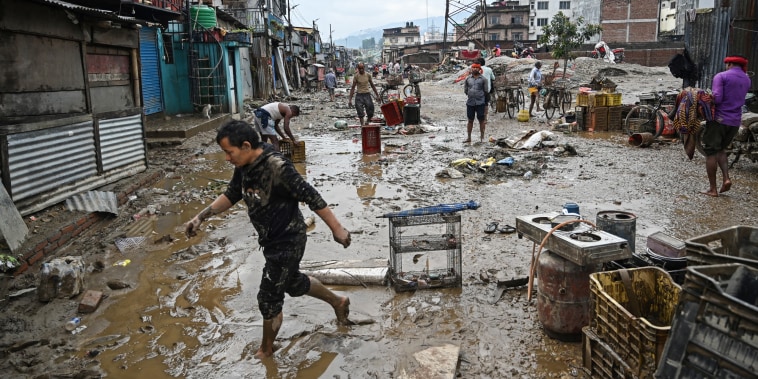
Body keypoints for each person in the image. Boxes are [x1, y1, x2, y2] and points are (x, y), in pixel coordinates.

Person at [184, 120, 353, 359]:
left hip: (288, 240)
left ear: (245, 145)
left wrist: (338, 229)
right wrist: (200, 217)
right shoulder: (244, 165)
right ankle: (338, 301)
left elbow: (311, 196)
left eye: (228, 152)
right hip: (272, 240)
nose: (227, 158)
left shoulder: (277, 167)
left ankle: (266, 351)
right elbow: (232, 194)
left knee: (269, 296)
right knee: (292, 283)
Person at [701, 55, 751, 197]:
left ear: (729, 64)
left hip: (719, 120)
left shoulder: (721, 76)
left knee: (711, 152)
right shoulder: (747, 79)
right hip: (735, 121)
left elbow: (717, 98)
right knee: (721, 150)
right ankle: (726, 179)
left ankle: (712, 189)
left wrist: (707, 98)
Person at [464, 63, 489, 143]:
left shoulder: (484, 79)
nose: (475, 69)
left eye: (476, 68)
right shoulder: (468, 79)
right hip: (470, 102)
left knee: (481, 120)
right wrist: (470, 94)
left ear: (479, 69)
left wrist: (483, 101)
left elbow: (486, 91)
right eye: (473, 68)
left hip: (480, 102)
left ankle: (482, 137)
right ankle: (469, 138)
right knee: (470, 120)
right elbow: (466, 90)